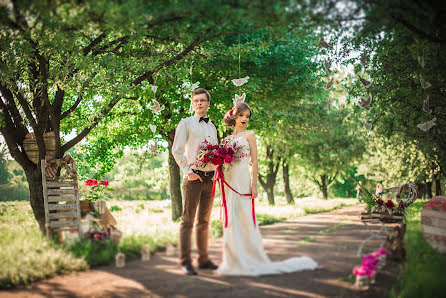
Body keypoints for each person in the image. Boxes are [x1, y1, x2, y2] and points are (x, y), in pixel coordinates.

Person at [215, 102, 318, 276]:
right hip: (229, 182)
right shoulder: (226, 140)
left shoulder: (250, 135)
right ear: (234, 116)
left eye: (248, 116)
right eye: (242, 115)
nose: (245, 119)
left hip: (243, 179)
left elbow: (254, 162)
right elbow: (223, 165)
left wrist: (254, 185)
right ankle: (233, 259)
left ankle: (248, 257)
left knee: (244, 217)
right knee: (231, 218)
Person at [172, 88, 219, 275]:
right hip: (194, 179)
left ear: (208, 103)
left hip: (210, 179)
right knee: (187, 221)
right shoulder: (185, 123)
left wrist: (216, 170)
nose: (199, 103)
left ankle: (203, 259)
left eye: (203, 100)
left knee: (204, 222)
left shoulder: (212, 126)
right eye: (196, 100)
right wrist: (188, 172)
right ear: (192, 103)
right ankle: (185, 261)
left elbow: (215, 153)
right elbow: (177, 150)